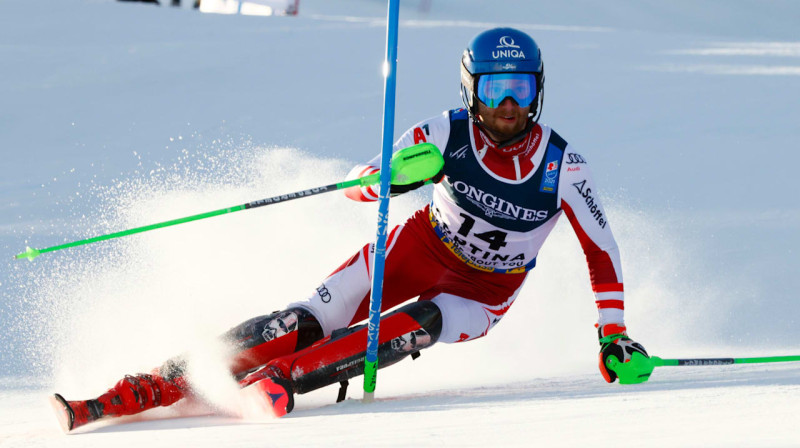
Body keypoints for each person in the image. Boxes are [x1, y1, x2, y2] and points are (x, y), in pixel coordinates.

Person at [50, 27, 649, 432]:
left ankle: (281, 381)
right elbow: (360, 182)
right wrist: (388, 178)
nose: (509, 106)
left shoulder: (564, 166)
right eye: (496, 90)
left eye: (520, 90)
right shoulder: (443, 132)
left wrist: (613, 335)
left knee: (422, 323)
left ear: (537, 93)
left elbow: (604, 251)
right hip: (413, 249)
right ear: (473, 90)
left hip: (483, 294)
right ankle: (146, 387)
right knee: (302, 321)